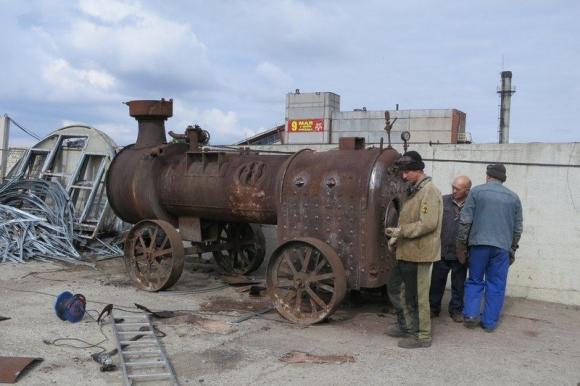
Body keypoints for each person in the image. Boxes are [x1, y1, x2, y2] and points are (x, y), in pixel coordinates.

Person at [385, 151, 443, 349]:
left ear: (418, 170)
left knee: (417, 297)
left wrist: (401, 231)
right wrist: (396, 239)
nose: (403, 176)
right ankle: (407, 327)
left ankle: (422, 336)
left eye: (407, 172)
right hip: (407, 251)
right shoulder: (415, 190)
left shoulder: (429, 191)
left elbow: (428, 223)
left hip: (419, 254)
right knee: (397, 289)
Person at [456, 164, 523, 332]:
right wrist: (512, 248)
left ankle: (471, 315)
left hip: (478, 245)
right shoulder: (514, 198)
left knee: (475, 280)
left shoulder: (476, 192)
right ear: (503, 178)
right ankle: (489, 322)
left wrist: (462, 245)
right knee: (496, 284)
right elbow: (517, 228)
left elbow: (465, 221)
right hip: (501, 248)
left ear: (488, 176)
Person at [429, 176, 471, 323]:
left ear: (467, 190)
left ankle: (456, 311)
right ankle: (433, 308)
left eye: (457, 189)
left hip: (461, 253)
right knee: (436, 282)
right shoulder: (443, 200)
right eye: (453, 187)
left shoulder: (472, 204)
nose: (453, 191)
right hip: (442, 250)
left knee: (459, 284)